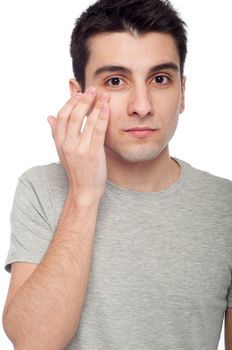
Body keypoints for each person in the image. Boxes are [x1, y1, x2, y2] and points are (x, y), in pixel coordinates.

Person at [2, 0, 232, 348]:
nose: (142, 106)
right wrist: (83, 195)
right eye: (115, 80)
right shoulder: (41, 189)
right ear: (78, 95)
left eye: (159, 79)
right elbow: (34, 342)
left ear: (182, 92)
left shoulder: (225, 206)